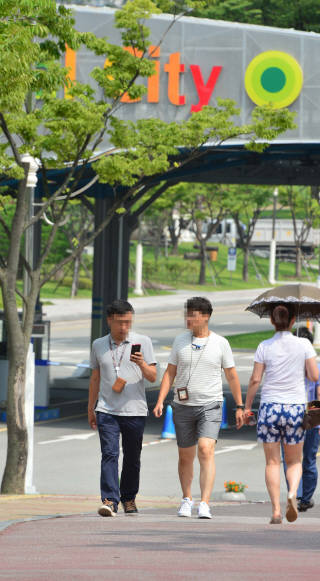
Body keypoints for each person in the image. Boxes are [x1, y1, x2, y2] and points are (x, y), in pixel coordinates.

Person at [153, 296, 244, 520]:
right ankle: (186, 499)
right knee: (185, 456)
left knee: (205, 449)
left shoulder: (221, 343)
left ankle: (204, 502)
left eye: (193, 314)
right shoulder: (179, 341)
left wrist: (240, 405)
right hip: (183, 405)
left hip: (210, 405)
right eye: (187, 313)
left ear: (206, 316)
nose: (188, 318)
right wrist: (159, 400)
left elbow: (231, 376)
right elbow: (170, 373)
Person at [245, 305, 319, 524]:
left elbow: (256, 380)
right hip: (295, 408)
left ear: (271, 321)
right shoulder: (304, 344)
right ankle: (292, 494)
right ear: (294, 319)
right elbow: (314, 376)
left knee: (272, 462)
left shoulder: (264, 346)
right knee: (295, 461)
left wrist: (247, 407)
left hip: (270, 408)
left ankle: (276, 510)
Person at [88, 299, 157, 517]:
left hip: (134, 410)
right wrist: (91, 407)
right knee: (109, 454)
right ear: (109, 321)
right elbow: (95, 377)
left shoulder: (143, 342)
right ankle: (109, 500)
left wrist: (141, 364)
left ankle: (129, 498)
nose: (124, 327)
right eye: (119, 322)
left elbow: (153, 377)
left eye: (128, 322)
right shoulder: (98, 344)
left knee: (132, 456)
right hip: (107, 410)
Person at [292, 327, 320, 512]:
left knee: (294, 459)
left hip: (294, 413)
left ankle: (299, 496)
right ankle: (302, 497)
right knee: (307, 459)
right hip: (309, 414)